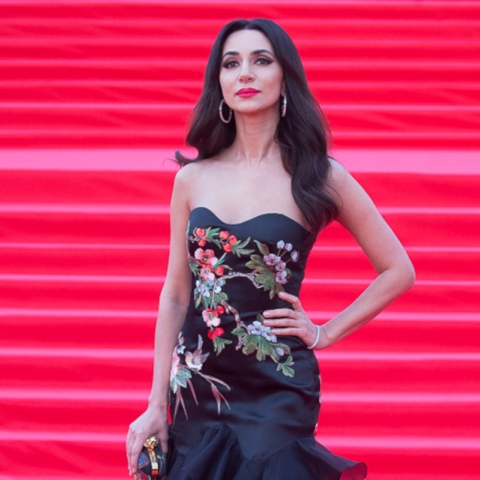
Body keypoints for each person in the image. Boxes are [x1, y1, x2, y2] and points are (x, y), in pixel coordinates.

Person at [126, 18, 415, 479]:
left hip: (278, 385)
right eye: (231, 63)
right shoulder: (192, 180)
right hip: (198, 386)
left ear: (285, 77)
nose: (245, 73)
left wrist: (325, 332)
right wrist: (155, 403)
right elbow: (177, 294)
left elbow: (398, 269)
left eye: (261, 61)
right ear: (219, 83)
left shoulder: (320, 176)